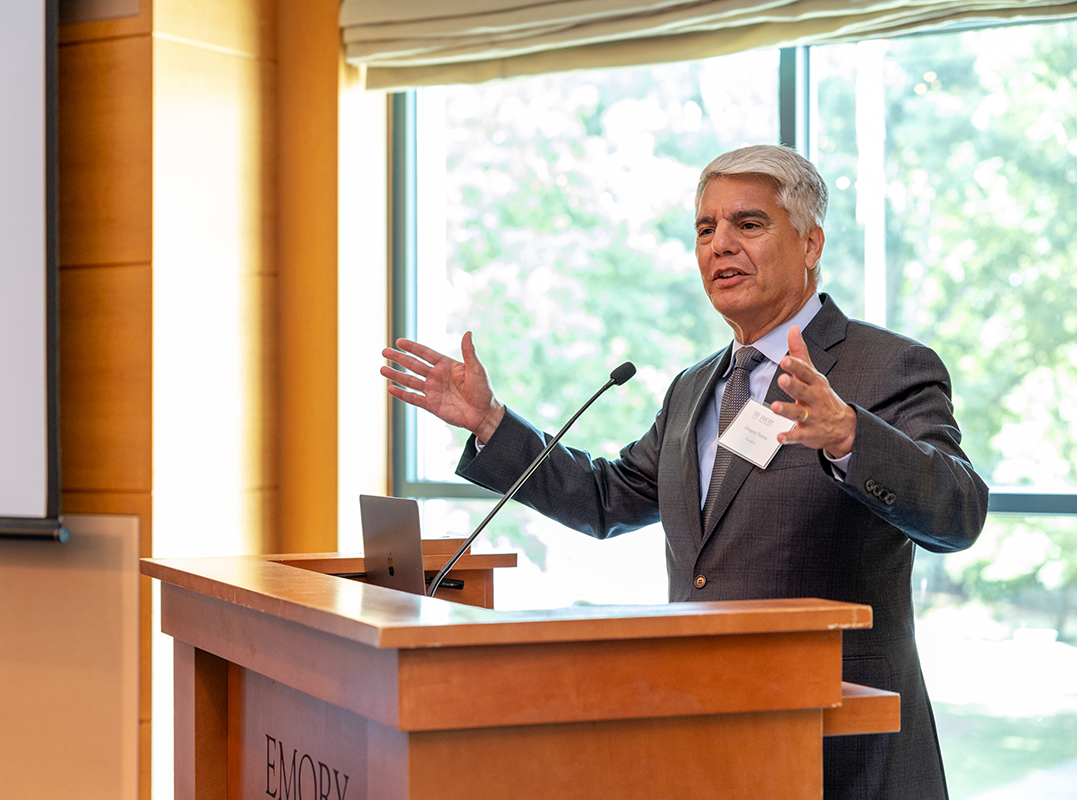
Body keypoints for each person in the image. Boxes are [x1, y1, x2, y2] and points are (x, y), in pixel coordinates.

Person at [381, 144, 987, 799]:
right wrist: (491, 421)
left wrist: (848, 435)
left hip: (841, 749)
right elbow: (607, 498)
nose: (720, 244)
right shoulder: (695, 388)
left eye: (748, 224)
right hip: (708, 737)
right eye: (705, 229)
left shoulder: (888, 367)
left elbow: (958, 513)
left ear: (811, 244)